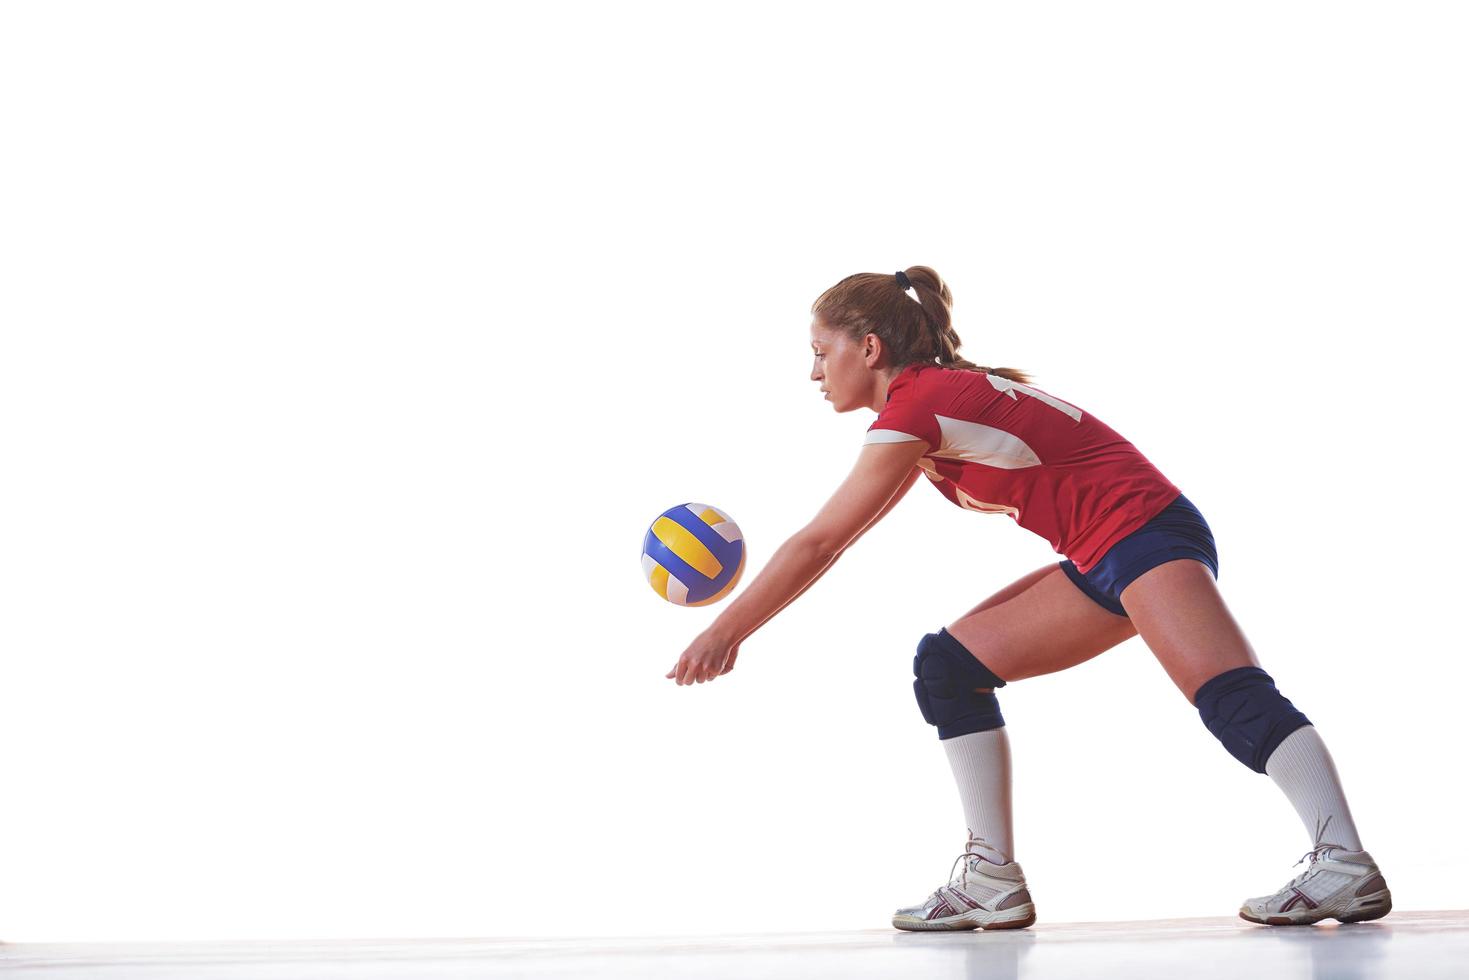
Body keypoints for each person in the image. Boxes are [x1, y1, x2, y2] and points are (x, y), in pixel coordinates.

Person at [665, 266, 1391, 931]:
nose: (812, 371)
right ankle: (989, 880)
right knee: (947, 667)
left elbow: (820, 541)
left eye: (821, 351)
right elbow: (836, 539)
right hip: (1102, 554)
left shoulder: (921, 407)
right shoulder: (918, 416)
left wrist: (724, 632)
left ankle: (1343, 865)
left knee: (1230, 696)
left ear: (870, 347)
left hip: (1142, 534)